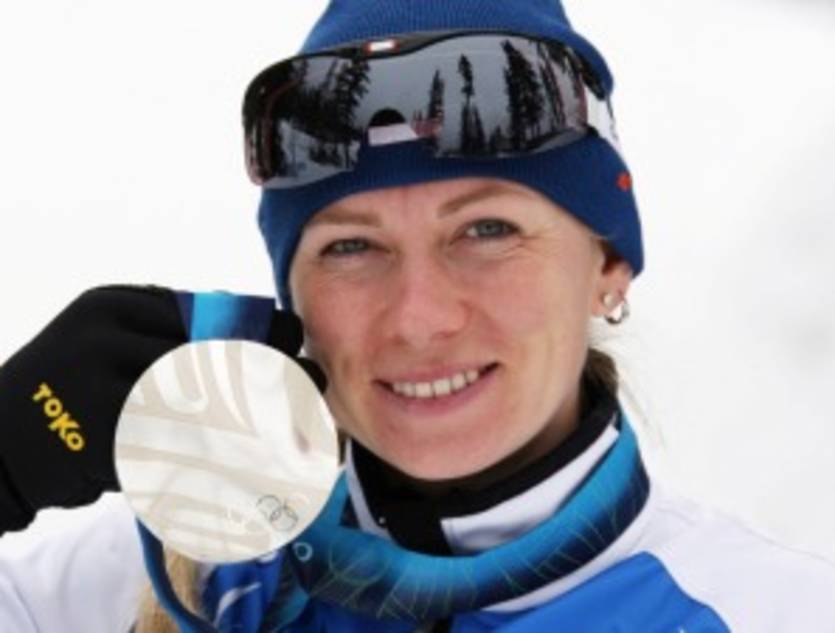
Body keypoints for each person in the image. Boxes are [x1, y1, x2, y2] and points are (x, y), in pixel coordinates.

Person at [1, 1, 834, 631]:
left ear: (607, 267)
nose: (418, 317)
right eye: (350, 246)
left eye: (487, 230)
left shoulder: (772, 610)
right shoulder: (159, 580)